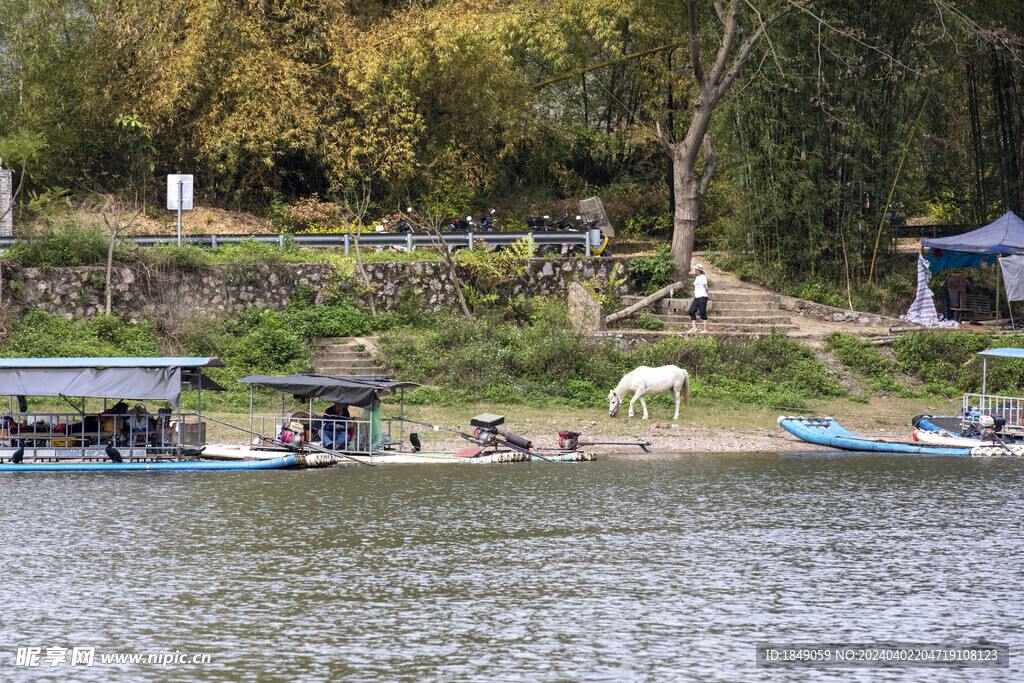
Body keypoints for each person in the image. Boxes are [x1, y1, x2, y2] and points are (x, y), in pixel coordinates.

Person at [687, 263, 710, 334]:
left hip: (702, 297)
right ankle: (694, 327)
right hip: (697, 297)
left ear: (699, 270)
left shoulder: (703, 277)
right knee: (691, 311)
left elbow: (706, 287)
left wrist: (706, 294)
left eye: (696, 269)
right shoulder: (697, 277)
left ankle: (705, 329)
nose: (695, 270)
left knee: (702, 312)